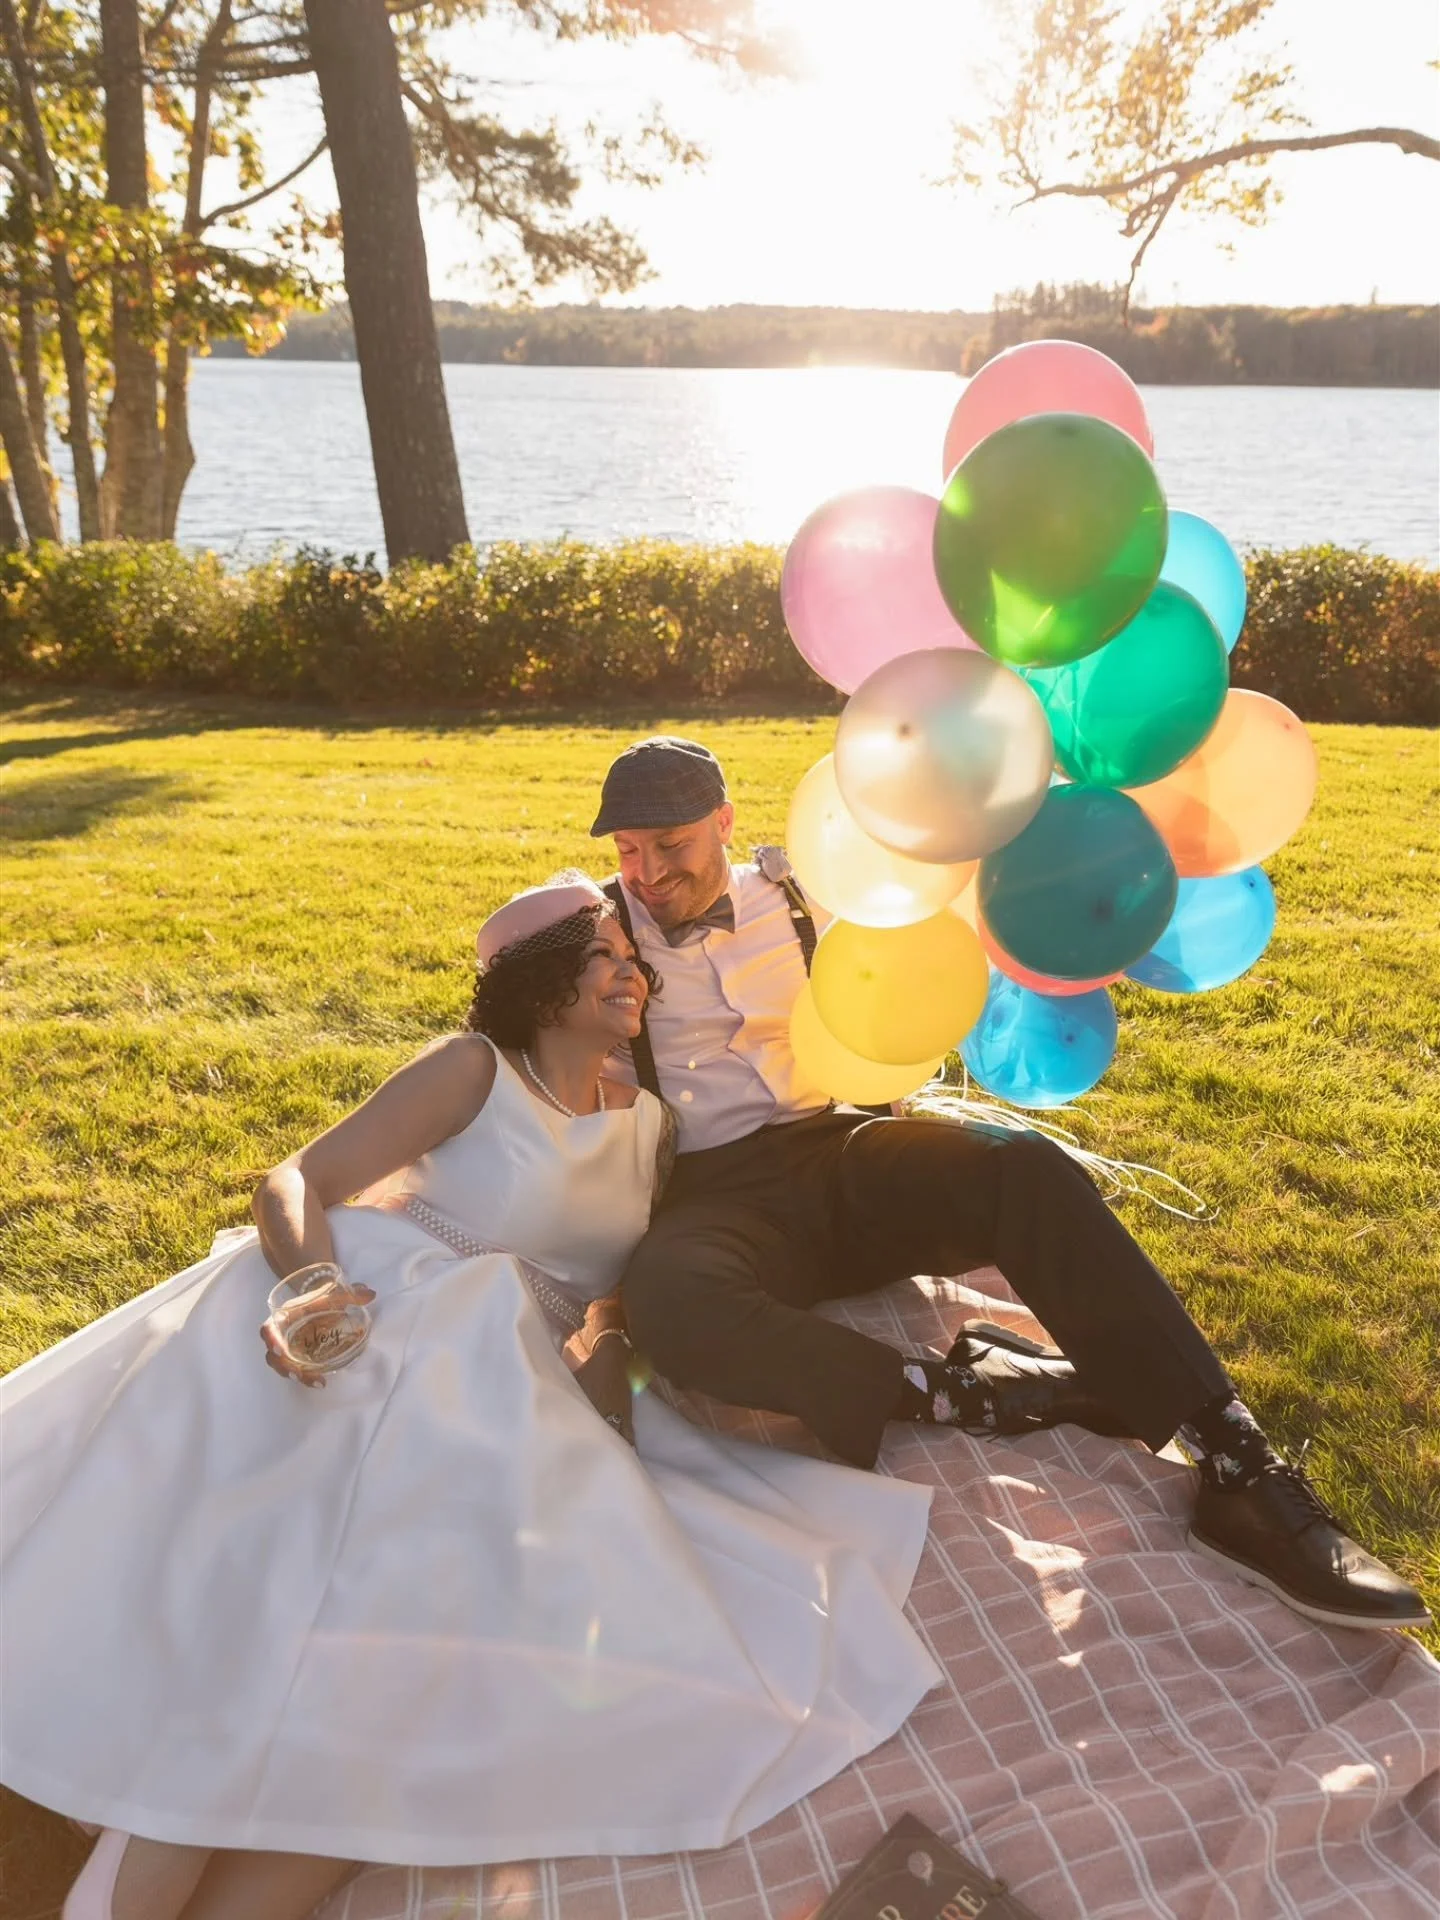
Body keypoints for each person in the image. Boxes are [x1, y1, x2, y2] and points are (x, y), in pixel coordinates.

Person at [1, 876, 942, 1920]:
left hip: (513, 1385)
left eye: (631, 958)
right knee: (292, 1613)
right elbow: (296, 1181)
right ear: (541, 985)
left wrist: (611, 1356)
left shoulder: (651, 1126)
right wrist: (312, 1287)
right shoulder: (476, 1072)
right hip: (384, 1318)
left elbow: (624, 1282)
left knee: (393, 1718)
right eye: (602, 956)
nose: (630, 974)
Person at [590, 735, 1429, 1635]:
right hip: (716, 1197)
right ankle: (974, 1394)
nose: (649, 873)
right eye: (629, 850)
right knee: (668, 1301)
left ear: (723, 822)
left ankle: (1237, 1464)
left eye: (671, 844)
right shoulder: (594, 932)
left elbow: (924, 950)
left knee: (1020, 1167)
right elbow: (519, 1011)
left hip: (839, 1153)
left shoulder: (808, 889)